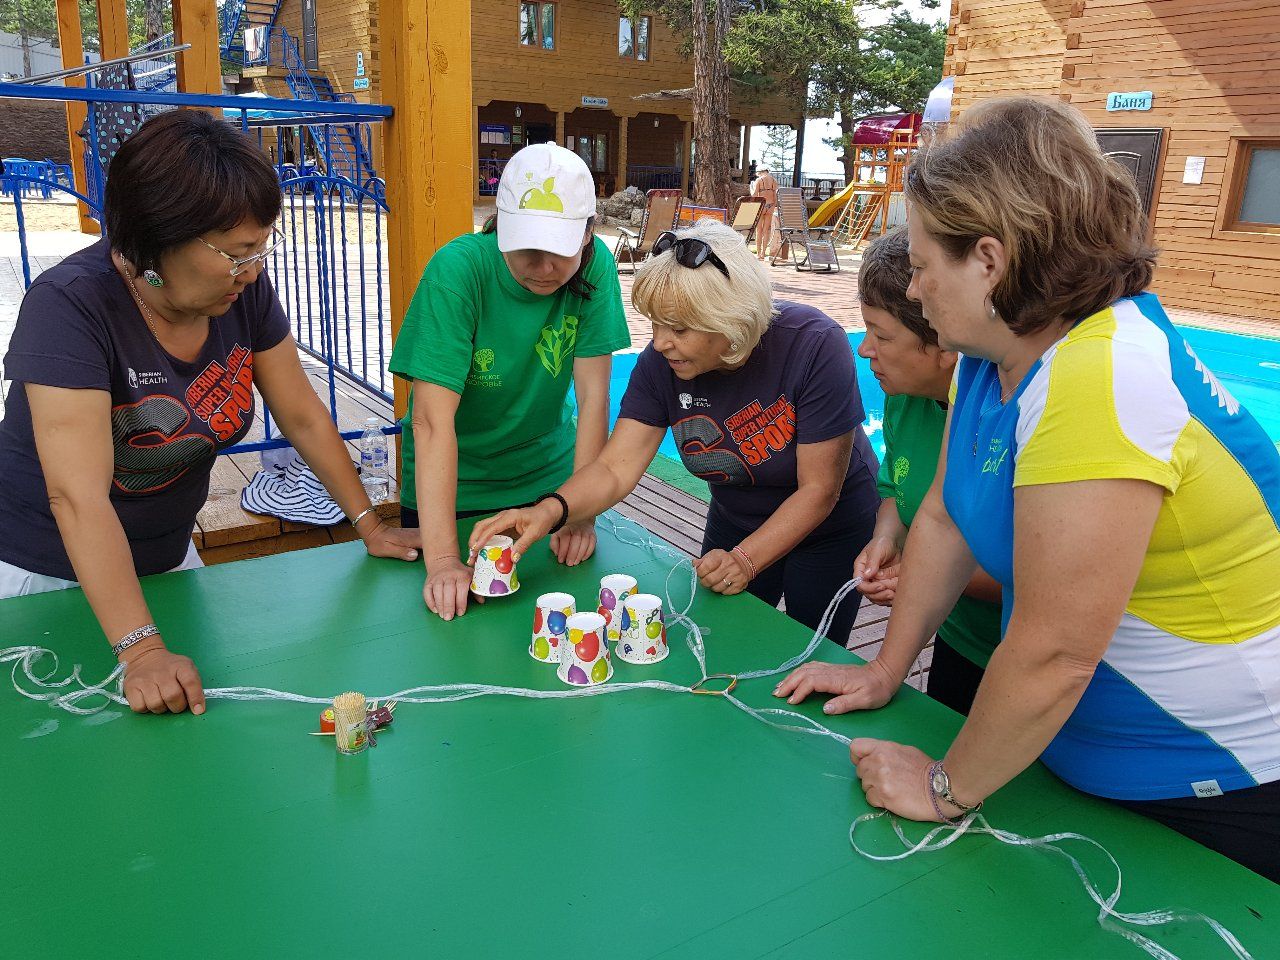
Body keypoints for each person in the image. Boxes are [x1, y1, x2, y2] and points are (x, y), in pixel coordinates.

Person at [775, 96, 1280, 881]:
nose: (912, 292)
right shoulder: (991, 354)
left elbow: (1054, 651)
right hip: (1088, 759)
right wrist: (885, 669)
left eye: (920, 267)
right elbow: (940, 518)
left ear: (989, 261)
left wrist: (945, 788)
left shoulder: (1100, 374)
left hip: (1215, 783)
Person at [0, 110, 420, 716]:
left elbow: (301, 413)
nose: (252, 269)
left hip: (168, 563)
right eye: (236, 252)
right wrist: (141, 651)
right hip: (42, 578)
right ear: (156, 239)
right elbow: (77, 497)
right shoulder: (70, 307)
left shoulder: (241, 291)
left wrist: (369, 525)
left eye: (260, 247)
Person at [469, 219, 881, 646]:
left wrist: (746, 559)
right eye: (655, 324)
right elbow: (613, 468)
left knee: (813, 652)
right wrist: (548, 510)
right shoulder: (661, 364)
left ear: (730, 318)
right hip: (735, 518)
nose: (660, 342)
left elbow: (819, 490)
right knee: (722, 643)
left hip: (830, 528)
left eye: (679, 328)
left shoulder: (812, 344)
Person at [390, 142, 630, 622]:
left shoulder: (596, 266)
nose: (544, 269)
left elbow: (593, 397)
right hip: (454, 493)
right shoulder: (458, 270)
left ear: (587, 236)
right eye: (528, 249)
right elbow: (433, 423)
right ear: (501, 228)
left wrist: (578, 511)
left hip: (548, 484)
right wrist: (441, 560)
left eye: (560, 252)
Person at [851, 228, 1002, 715]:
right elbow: (900, 490)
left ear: (945, 346)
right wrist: (887, 539)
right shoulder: (903, 400)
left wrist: (919, 573)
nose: (864, 350)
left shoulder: (1008, 411)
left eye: (882, 335)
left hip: (1019, 648)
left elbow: (1039, 574)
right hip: (957, 633)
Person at [749, 164, 783, 263]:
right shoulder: (773, 181)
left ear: (760, 172)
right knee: (766, 230)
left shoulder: (759, 180)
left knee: (758, 230)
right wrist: (773, 206)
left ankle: (758, 254)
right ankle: (764, 252)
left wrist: (751, 189)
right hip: (770, 206)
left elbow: (755, 194)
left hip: (761, 205)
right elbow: (776, 196)